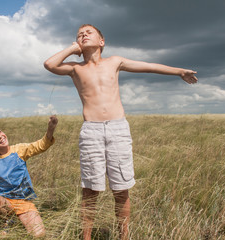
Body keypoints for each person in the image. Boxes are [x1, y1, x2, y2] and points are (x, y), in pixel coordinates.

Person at [44, 24, 197, 240]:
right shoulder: (75, 68)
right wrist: (71, 49)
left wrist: (179, 71)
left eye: (88, 32)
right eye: (79, 34)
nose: (83, 35)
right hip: (92, 131)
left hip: (117, 129)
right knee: (90, 190)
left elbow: (149, 66)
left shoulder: (114, 62)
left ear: (102, 41)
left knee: (121, 188)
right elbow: (49, 64)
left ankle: (123, 236)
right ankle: (85, 237)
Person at [0, 115, 58, 238]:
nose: (0, 137)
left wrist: (50, 129)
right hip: (5, 201)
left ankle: (17, 218)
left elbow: (40, 145)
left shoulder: (19, 150)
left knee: (39, 234)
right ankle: (7, 221)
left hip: (23, 201)